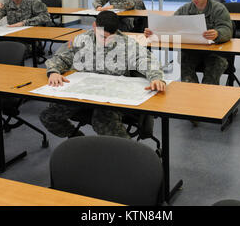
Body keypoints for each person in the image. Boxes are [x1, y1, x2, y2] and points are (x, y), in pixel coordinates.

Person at [39, 11, 166, 139]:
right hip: (84, 92)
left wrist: (156, 78)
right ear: (94, 26)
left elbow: (146, 60)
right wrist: (53, 71)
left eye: (110, 37)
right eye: (102, 37)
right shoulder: (81, 40)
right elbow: (61, 57)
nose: (106, 42)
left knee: (102, 120)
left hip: (113, 96)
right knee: (49, 116)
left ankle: (129, 154)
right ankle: (77, 139)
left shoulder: (126, 43)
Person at [144, 0, 233, 85]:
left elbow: (227, 29)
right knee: (184, 67)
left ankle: (208, 97)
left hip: (215, 52)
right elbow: (169, 25)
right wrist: (153, 32)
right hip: (192, 51)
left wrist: (218, 34)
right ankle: (192, 94)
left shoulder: (218, 9)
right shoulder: (185, 9)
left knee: (211, 77)